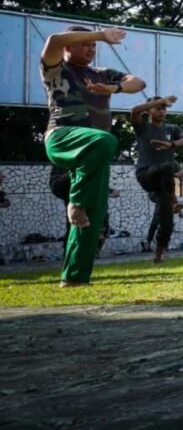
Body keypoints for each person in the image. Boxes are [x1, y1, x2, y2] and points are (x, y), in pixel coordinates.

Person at [40, 25, 146, 287]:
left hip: (94, 155)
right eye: (85, 43)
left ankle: (75, 278)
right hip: (63, 138)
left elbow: (139, 82)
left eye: (94, 46)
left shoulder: (102, 74)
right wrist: (99, 34)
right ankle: (75, 202)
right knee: (105, 140)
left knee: (94, 214)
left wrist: (114, 89)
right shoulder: (55, 67)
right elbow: (53, 40)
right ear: (69, 46)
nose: (90, 48)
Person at [130, 95, 183, 263]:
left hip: (163, 184)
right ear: (149, 110)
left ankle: (158, 255)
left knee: (167, 221)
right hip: (146, 174)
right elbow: (135, 111)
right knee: (170, 165)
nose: (162, 110)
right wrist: (161, 100)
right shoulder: (143, 127)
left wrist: (172, 144)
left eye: (164, 108)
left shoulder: (172, 129)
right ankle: (174, 201)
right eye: (158, 107)